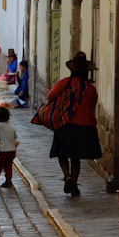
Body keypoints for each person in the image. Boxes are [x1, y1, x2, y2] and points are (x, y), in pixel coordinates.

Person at [45, 52, 101, 197]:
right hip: (84, 125)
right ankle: (74, 185)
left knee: (62, 154)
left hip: (66, 123)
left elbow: (51, 96)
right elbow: (92, 104)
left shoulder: (65, 83)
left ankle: (67, 175)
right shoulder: (90, 89)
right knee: (75, 157)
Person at [0, 106, 19, 188]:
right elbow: (15, 136)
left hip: (4, 151)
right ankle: (8, 181)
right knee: (8, 166)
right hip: (12, 151)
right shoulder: (10, 126)